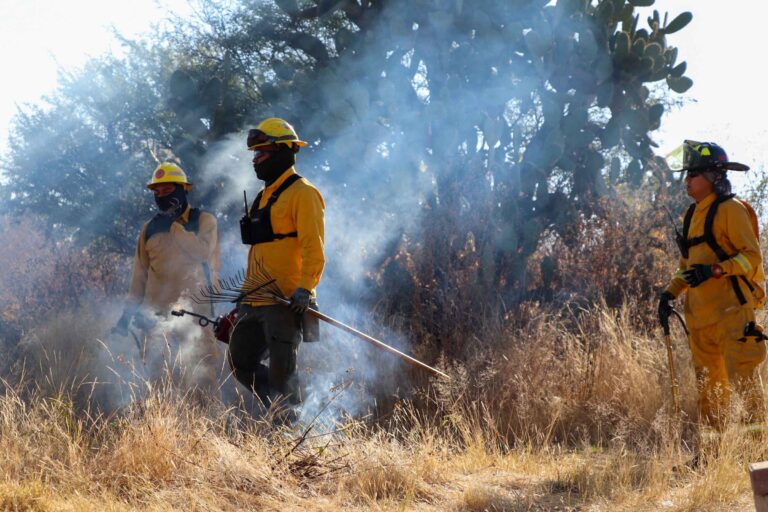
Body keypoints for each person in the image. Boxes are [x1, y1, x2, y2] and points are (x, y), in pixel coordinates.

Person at [659, 140, 766, 431]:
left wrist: (718, 270)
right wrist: (669, 293)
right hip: (701, 320)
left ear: (714, 177)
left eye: (693, 174)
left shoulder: (731, 209)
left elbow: (751, 256)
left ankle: (758, 458)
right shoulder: (692, 214)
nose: (687, 180)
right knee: (710, 392)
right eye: (687, 174)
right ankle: (711, 456)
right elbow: (687, 267)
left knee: (745, 386)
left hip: (733, 315)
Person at [227, 117, 325, 414]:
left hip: (285, 301)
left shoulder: (303, 193)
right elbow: (260, 251)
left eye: (261, 153)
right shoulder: (263, 197)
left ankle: (290, 424)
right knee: (239, 361)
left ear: (282, 151)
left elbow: (313, 247)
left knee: (283, 375)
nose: (255, 160)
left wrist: (305, 290)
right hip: (254, 299)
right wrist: (244, 296)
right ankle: (290, 406)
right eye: (254, 154)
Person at [113, 162, 221, 386]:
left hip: (196, 317)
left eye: (168, 190)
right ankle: (164, 422)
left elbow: (202, 253)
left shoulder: (203, 221)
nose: (161, 196)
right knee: (158, 382)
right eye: (157, 192)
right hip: (156, 318)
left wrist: (174, 226)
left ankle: (208, 421)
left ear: (183, 190)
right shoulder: (149, 228)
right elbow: (139, 276)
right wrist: (126, 316)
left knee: (203, 380)